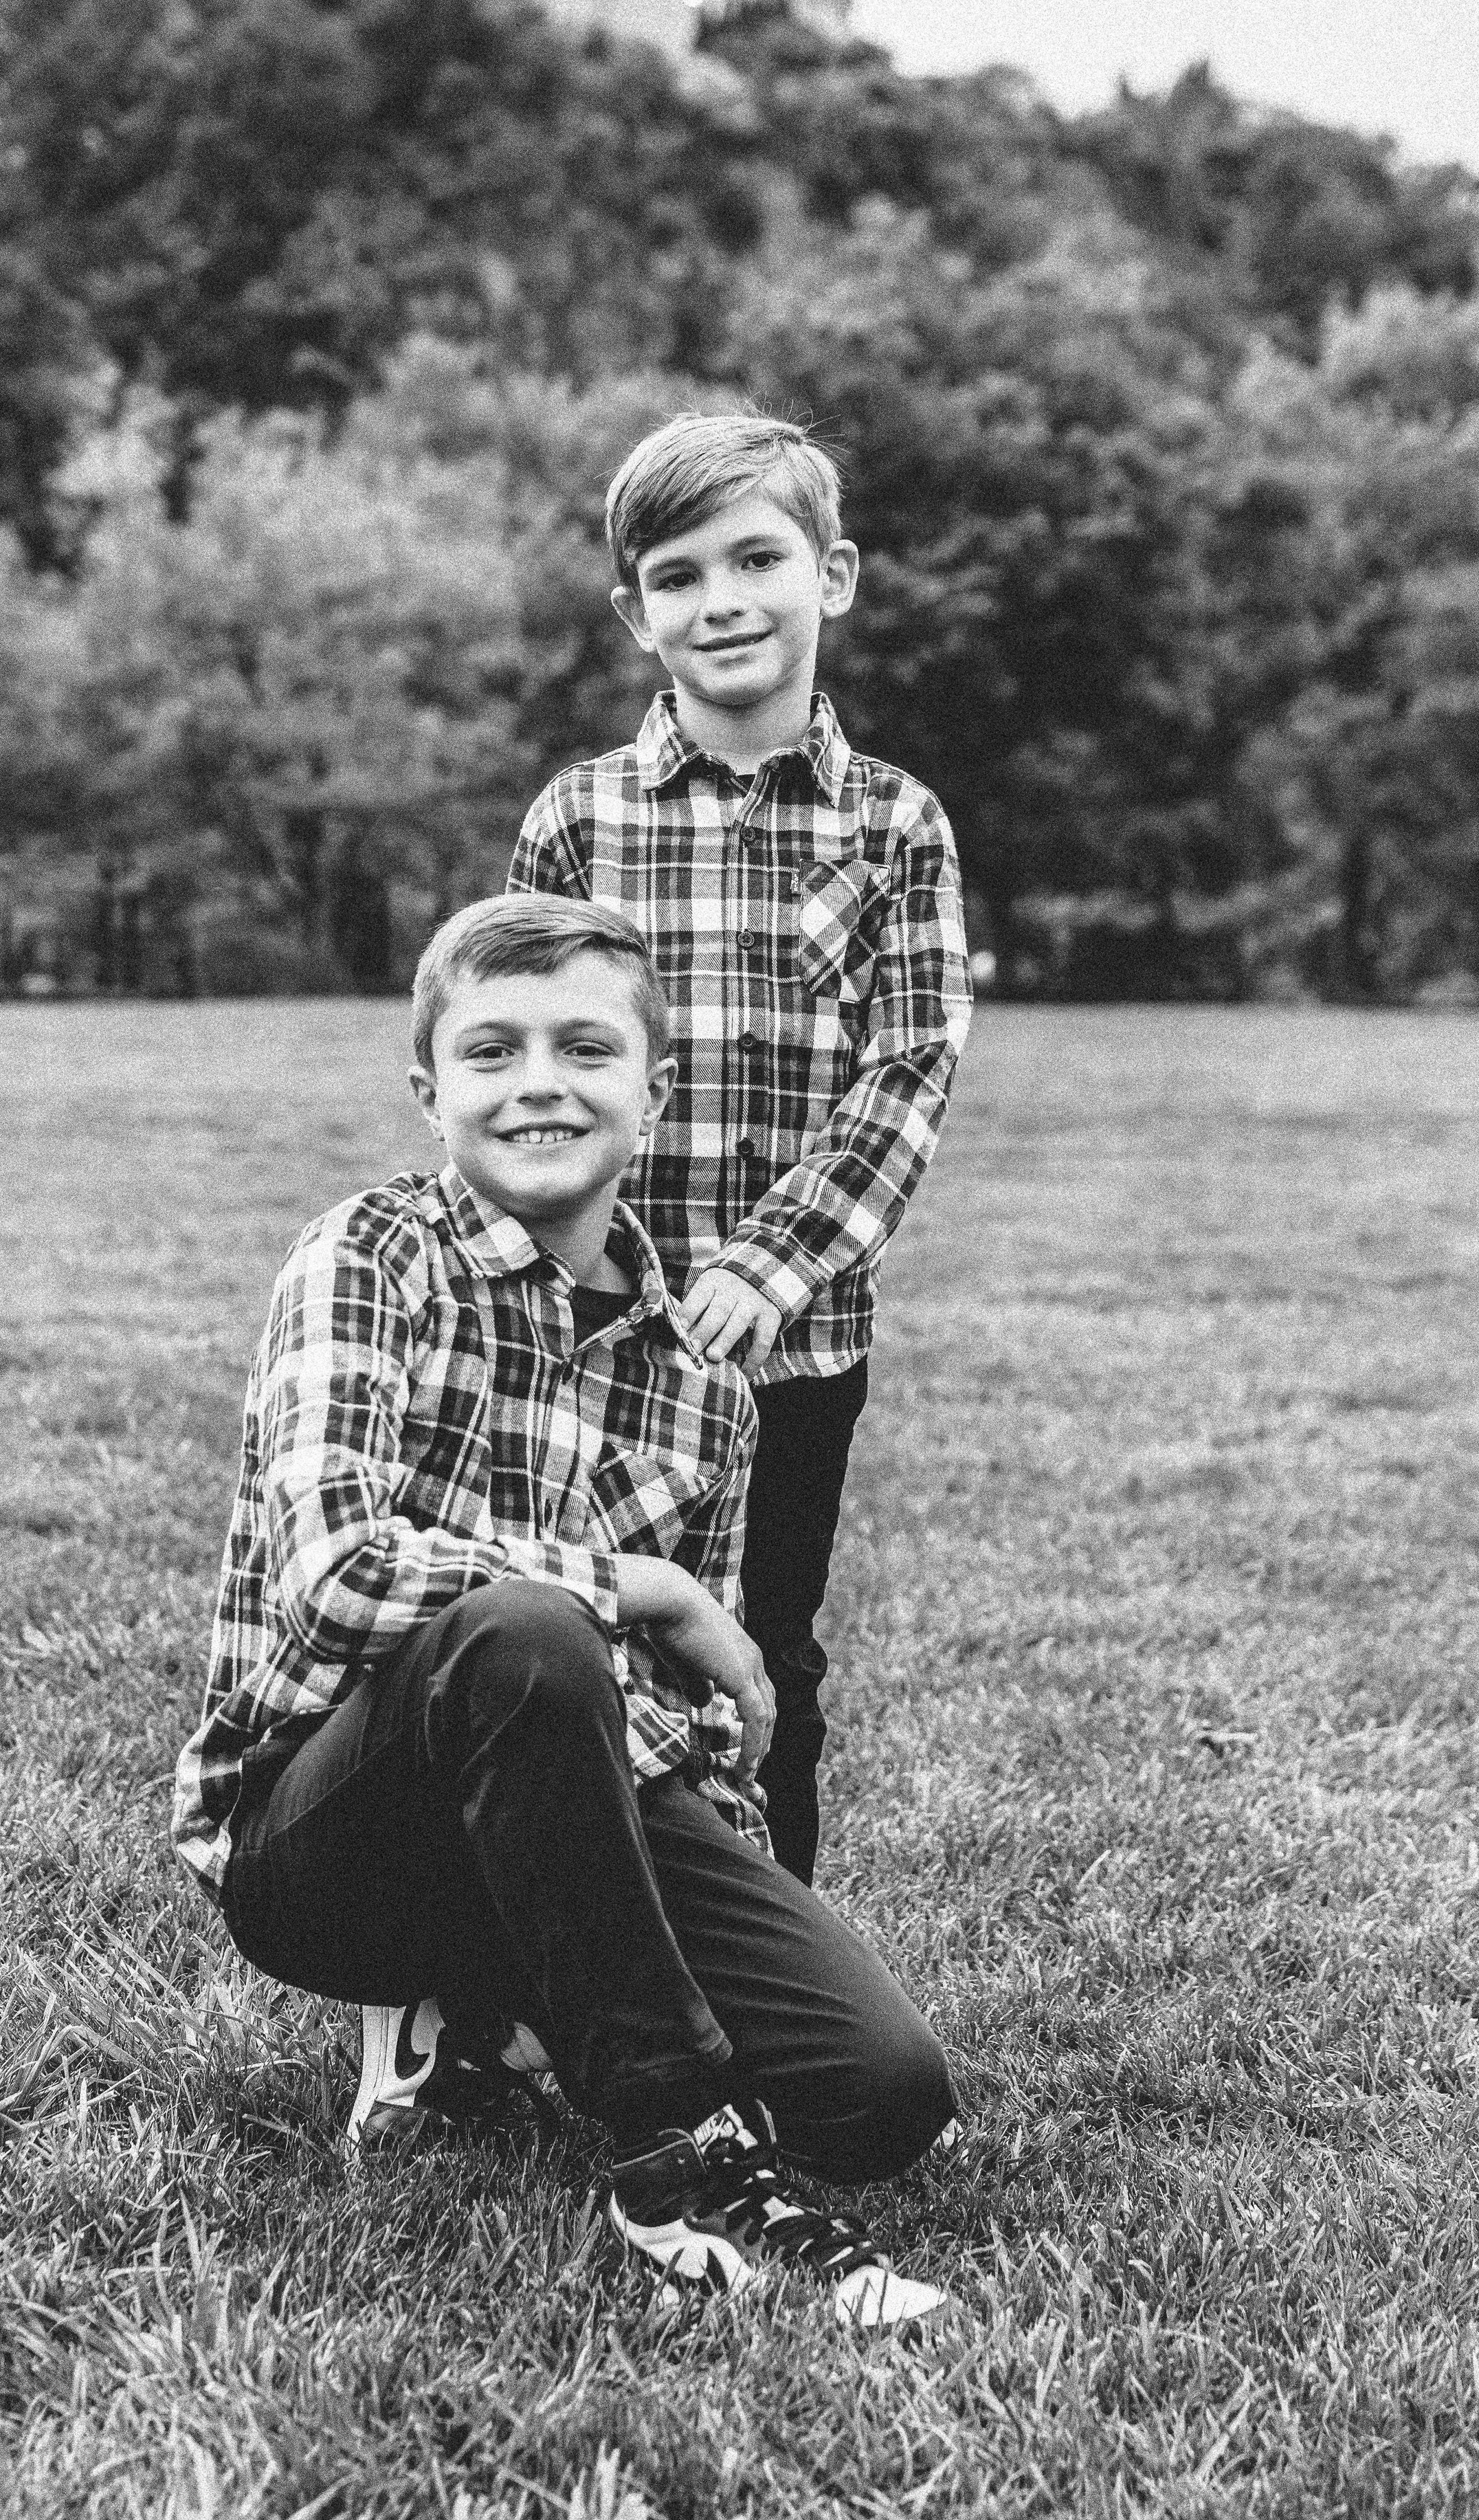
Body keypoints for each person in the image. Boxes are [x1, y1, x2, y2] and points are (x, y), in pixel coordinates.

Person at [172, 896, 955, 2325]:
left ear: (651, 1093)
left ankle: (507, 2003)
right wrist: (633, 1586)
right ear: (432, 1093)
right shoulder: (367, 1258)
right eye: (493, 1050)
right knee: (527, 1631)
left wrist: (743, 1902)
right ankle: (678, 2160)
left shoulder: (705, 1383)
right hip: (331, 1833)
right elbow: (339, 1573)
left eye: (585, 1047)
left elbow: (702, 1729)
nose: (540, 1080)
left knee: (880, 2094)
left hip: (580, 1786)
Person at [508, 412, 972, 1884]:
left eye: (755, 557)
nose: (721, 599)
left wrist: (772, 1264)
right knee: (569, 1640)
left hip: (791, 1350)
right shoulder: (578, 819)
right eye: (677, 571)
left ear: (828, 576)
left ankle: (773, 1984)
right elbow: (521, 1067)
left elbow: (907, 1070)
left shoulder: (895, 826)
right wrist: (539, 1273)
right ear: (632, 612)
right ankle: (542, 1974)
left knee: (764, 1649)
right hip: (585, 1335)